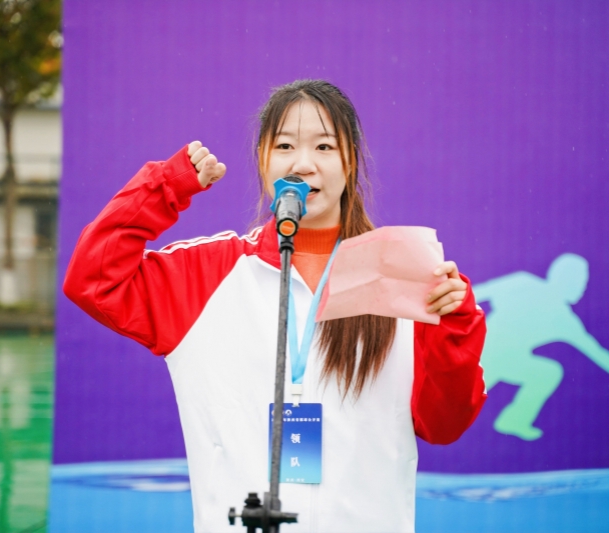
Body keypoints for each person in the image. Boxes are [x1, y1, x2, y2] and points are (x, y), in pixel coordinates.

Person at [64, 79, 486, 533]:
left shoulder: (408, 277)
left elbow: (445, 424)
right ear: (262, 160)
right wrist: (165, 188)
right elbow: (93, 278)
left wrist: (455, 321)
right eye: (285, 146)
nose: (303, 164)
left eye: (324, 147)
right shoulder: (207, 274)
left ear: (350, 162)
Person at [474, 253, 609, 441]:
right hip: (479, 356)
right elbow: (473, 294)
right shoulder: (522, 284)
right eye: (579, 280)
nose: (582, 287)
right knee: (458, 404)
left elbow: (598, 353)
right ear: (561, 278)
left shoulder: (564, 320)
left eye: (584, 282)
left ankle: (514, 420)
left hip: (512, 361)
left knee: (548, 372)